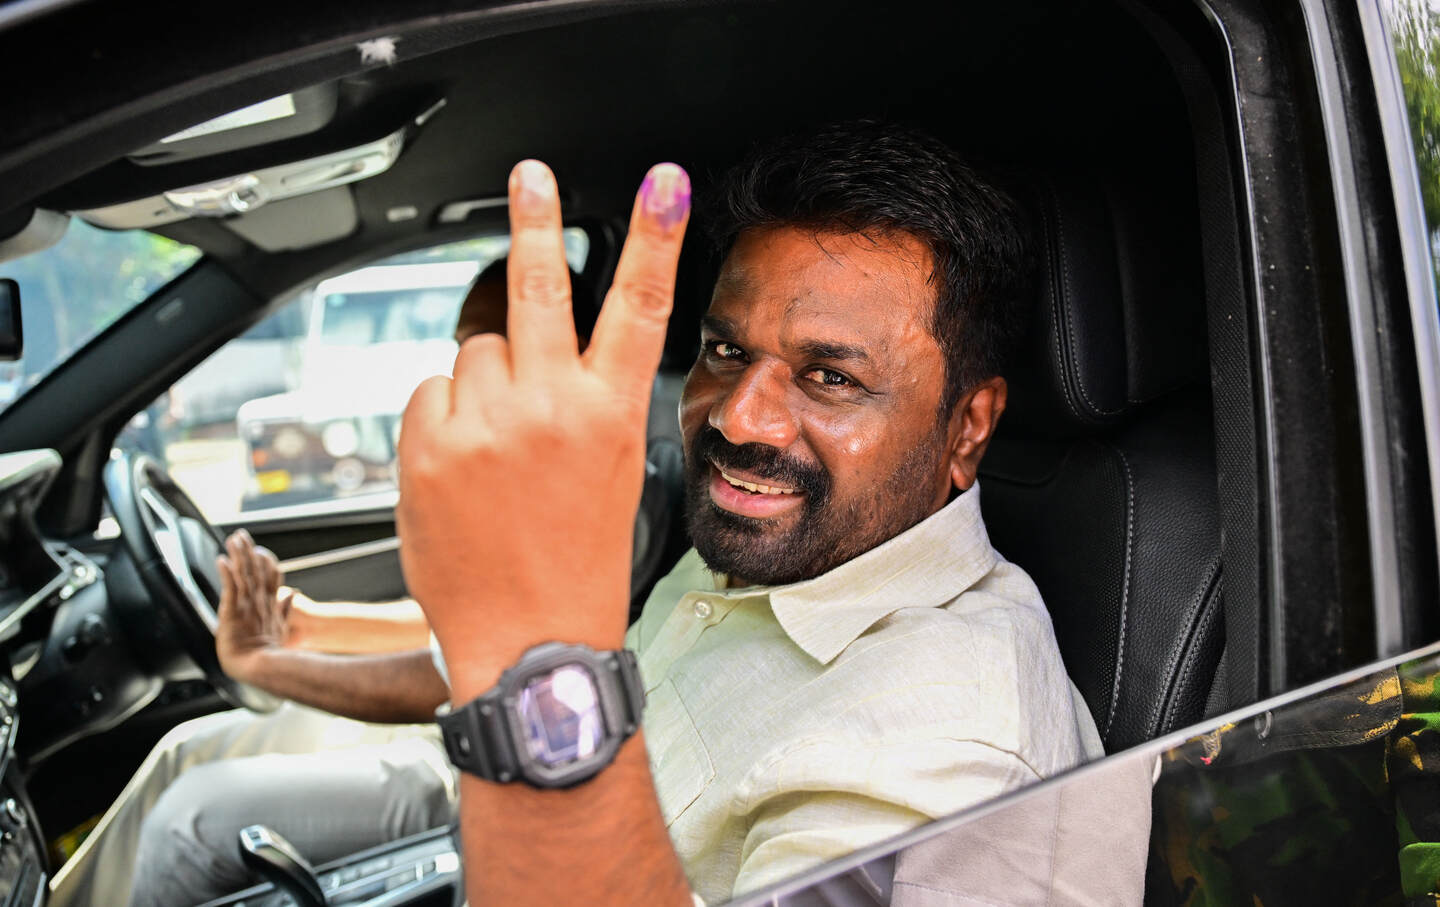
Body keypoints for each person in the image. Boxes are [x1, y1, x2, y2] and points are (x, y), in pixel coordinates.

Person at [397, 122, 1103, 906]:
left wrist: (537, 647)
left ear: (967, 427)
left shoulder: (955, 749)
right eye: (727, 352)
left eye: (830, 377)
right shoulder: (767, 548)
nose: (739, 419)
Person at [45, 259, 680, 907]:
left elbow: (459, 677)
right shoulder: (522, 466)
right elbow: (453, 629)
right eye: (464, 345)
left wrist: (270, 664)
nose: (466, 369)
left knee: (188, 819)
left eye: (491, 346)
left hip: (476, 758)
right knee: (182, 750)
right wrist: (309, 624)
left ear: (568, 347)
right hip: (446, 722)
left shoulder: (592, 489)